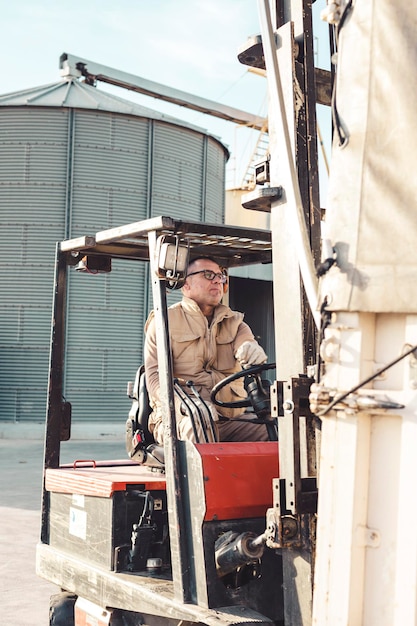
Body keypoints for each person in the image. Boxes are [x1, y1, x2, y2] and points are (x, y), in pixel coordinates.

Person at [144, 256, 269, 444]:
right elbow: (154, 378)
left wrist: (250, 349)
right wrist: (187, 406)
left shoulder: (236, 324)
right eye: (208, 275)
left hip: (228, 419)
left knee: (277, 430)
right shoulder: (164, 322)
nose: (218, 280)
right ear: (186, 284)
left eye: (221, 275)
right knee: (199, 426)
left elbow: (246, 343)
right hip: (179, 419)